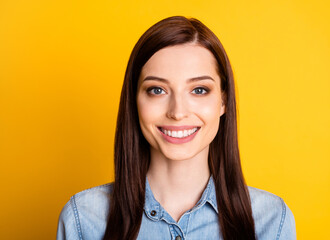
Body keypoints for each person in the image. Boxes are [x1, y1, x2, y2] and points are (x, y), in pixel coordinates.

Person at [57, 16, 296, 240]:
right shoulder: (84, 219)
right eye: (157, 90)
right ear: (134, 101)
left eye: (199, 90)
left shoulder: (271, 220)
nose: (178, 112)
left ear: (223, 101)